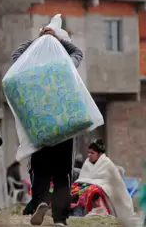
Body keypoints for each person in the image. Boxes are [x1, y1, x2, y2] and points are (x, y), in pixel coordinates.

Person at [12, 26, 83, 227]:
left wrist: (39, 39)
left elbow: (16, 54)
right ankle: (60, 218)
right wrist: (57, 39)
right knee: (63, 174)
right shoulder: (65, 64)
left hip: (39, 129)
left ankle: (41, 202)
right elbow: (78, 52)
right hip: (63, 129)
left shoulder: (29, 66)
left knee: (40, 169)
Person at [72, 139, 138, 225]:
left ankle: (101, 210)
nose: (89, 155)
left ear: (99, 154)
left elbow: (112, 183)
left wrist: (94, 184)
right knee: (77, 188)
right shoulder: (87, 163)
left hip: (107, 192)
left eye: (92, 153)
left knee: (94, 189)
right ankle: (78, 212)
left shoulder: (107, 163)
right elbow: (83, 178)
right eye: (88, 153)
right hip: (90, 187)